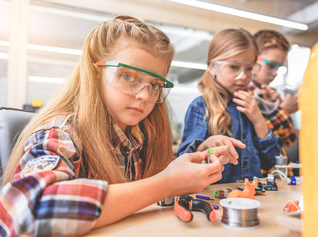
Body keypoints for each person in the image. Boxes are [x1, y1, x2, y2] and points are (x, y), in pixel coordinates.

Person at [0, 16, 237, 236]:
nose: (144, 96)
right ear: (95, 74)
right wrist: (166, 183)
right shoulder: (60, 132)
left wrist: (200, 156)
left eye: (155, 85)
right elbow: (29, 211)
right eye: (128, 76)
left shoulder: (139, 135)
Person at [177, 28, 281, 183]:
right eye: (234, 67)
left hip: (251, 195)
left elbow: (272, 161)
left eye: (249, 68)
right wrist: (206, 145)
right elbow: (185, 163)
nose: (244, 76)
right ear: (212, 67)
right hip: (215, 197)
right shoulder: (201, 107)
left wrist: (259, 121)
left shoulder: (251, 105)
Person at [250, 30, 298, 149]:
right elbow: (263, 144)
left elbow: (289, 139)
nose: (275, 73)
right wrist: (284, 109)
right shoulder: (243, 95)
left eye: (279, 67)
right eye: (271, 65)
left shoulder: (270, 95)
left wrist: (279, 108)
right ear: (253, 58)